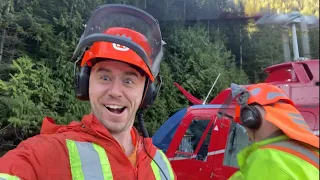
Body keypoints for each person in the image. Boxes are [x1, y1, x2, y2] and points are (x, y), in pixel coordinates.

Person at [0, 4, 176, 180]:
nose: (115, 91)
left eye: (128, 81)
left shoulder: (161, 165)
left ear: (147, 92)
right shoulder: (46, 154)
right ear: (85, 83)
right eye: (105, 77)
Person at [226, 83, 319, 180]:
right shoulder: (310, 151)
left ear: (250, 118)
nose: (247, 133)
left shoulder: (268, 158)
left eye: (244, 123)